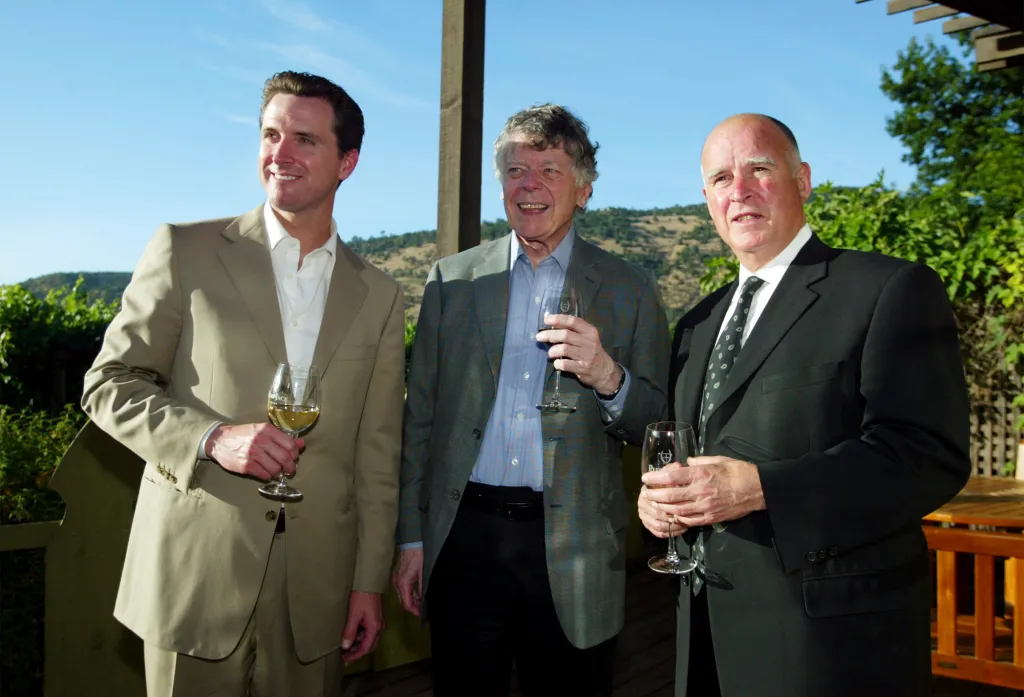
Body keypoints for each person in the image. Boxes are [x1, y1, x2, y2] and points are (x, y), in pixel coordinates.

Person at [81, 71, 405, 696]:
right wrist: (211, 439)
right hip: (195, 570)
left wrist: (367, 582)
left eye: (305, 140)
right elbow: (109, 384)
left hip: (319, 588)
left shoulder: (382, 296)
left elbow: (378, 453)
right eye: (270, 134)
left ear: (348, 162)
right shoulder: (184, 250)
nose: (279, 154)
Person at [638, 113, 971, 697]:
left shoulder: (888, 289)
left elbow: (925, 456)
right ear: (707, 200)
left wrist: (763, 488)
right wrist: (662, 508)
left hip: (828, 650)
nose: (738, 190)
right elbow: (696, 451)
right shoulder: (697, 323)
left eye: (759, 169)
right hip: (705, 641)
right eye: (720, 179)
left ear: (804, 179)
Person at [393, 104, 670, 696]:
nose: (531, 185)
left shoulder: (632, 289)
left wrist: (608, 376)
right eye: (517, 170)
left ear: (584, 189)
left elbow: (660, 426)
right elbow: (421, 420)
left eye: (550, 169)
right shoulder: (452, 280)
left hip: (573, 550)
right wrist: (412, 539)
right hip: (464, 538)